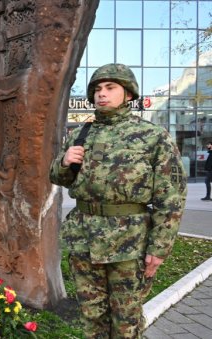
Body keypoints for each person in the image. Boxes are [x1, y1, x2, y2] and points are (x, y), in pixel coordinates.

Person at [49, 63, 187, 338]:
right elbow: (58, 177)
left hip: (130, 241)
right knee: (92, 317)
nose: (102, 94)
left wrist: (158, 248)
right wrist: (64, 162)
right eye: (98, 89)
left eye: (110, 88)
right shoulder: (80, 134)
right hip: (85, 237)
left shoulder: (152, 136)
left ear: (129, 94)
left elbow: (171, 196)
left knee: (126, 320)